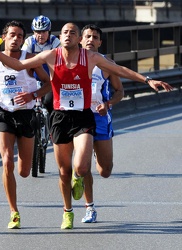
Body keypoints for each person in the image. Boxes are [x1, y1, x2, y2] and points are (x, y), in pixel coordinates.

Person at [0, 22, 173, 230]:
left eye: (72, 33)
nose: (68, 35)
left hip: (83, 117)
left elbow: (119, 69)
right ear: (60, 36)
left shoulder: (91, 58)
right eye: (64, 32)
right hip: (59, 118)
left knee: (81, 167)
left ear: (78, 39)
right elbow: (19, 66)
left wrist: (147, 80)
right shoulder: (51, 55)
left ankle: (79, 177)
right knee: (63, 172)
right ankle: (68, 211)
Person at [0, 20, 51, 229]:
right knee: (7, 161)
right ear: (4, 37)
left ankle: (29, 154)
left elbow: (49, 83)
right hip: (4, 113)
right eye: (12, 34)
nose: (16, 38)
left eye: (20, 35)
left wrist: (33, 94)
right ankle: (14, 212)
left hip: (26, 114)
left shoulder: (30, 59)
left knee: (24, 171)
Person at [79, 24, 124, 223]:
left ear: (99, 42)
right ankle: (90, 207)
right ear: (80, 40)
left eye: (94, 37)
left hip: (100, 117)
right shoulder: (70, 61)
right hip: (79, 117)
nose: (90, 39)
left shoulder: (107, 64)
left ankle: (96, 153)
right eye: (87, 36)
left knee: (105, 171)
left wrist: (108, 103)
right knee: (84, 166)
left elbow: (120, 91)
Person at [22, 15, 60, 114]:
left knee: (48, 102)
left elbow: (62, 58)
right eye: (38, 32)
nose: (41, 35)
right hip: (34, 77)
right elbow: (23, 60)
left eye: (44, 32)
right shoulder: (29, 41)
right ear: (34, 32)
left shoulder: (54, 41)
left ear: (49, 31)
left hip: (50, 78)